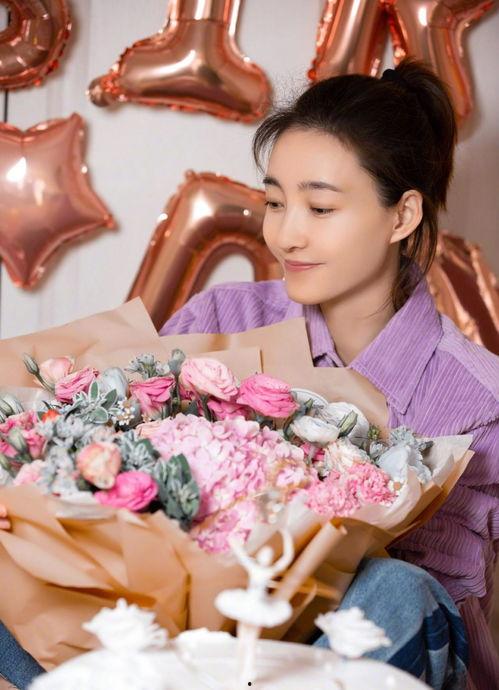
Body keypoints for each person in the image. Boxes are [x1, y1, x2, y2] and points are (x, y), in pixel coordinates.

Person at [160, 59, 499, 690]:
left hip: (380, 663)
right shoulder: (218, 323)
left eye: (319, 208)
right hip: (205, 654)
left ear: (402, 216)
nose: (286, 235)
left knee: (396, 587)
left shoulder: (479, 399)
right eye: (275, 203)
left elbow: (422, 608)